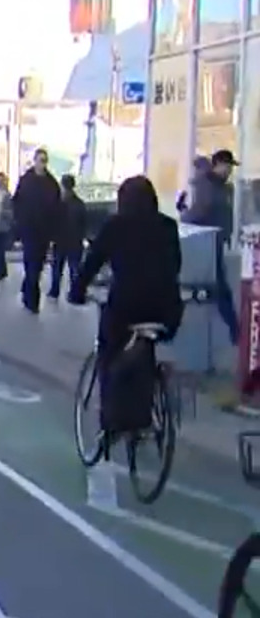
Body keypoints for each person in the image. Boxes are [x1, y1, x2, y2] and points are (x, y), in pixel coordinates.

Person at [69, 175, 183, 441]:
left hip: (127, 307)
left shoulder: (116, 225)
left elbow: (93, 261)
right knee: (146, 345)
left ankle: (111, 423)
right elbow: (175, 265)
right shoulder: (168, 226)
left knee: (109, 352)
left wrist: (77, 290)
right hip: (166, 310)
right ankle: (149, 404)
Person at [182, 148, 237, 343]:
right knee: (219, 286)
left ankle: (233, 329)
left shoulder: (221, 187)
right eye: (228, 166)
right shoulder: (208, 186)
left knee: (217, 286)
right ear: (218, 164)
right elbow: (199, 212)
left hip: (214, 240)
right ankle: (235, 330)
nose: (230, 170)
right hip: (205, 242)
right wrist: (185, 216)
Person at [12, 148, 62, 313]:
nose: (42, 164)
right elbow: (17, 203)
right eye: (40, 160)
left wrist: (54, 232)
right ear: (34, 161)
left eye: (45, 161)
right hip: (29, 230)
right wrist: (19, 224)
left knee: (37, 265)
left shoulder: (51, 183)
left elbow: (57, 208)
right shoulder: (26, 180)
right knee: (30, 263)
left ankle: (28, 290)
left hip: (44, 232)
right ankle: (32, 299)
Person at [48, 173, 86, 300]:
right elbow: (83, 224)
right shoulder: (80, 204)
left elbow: (53, 222)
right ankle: (75, 293)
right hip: (75, 241)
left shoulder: (58, 203)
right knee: (74, 269)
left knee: (57, 268)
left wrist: (52, 237)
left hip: (61, 240)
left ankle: (54, 291)